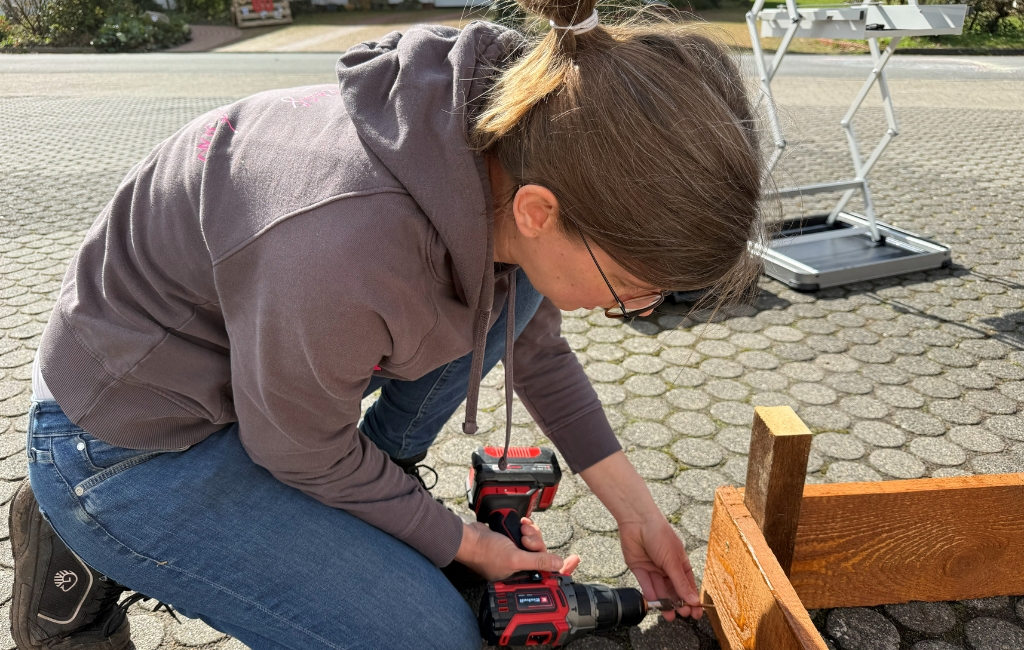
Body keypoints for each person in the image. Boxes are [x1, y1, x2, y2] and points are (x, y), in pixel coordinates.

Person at [9, 0, 765, 646]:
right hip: (128, 440)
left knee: (522, 299)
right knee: (432, 637)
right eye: (630, 287)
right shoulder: (345, 247)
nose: (633, 308)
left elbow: (532, 351)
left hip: (271, 380)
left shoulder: (529, 134)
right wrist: (464, 545)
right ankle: (79, 535)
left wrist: (639, 517)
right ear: (540, 213)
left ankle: (379, 483)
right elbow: (298, 448)